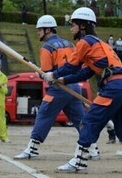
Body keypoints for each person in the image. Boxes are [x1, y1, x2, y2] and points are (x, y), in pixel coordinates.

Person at [41, 7, 122, 174]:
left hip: (112, 87)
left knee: (89, 121)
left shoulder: (85, 42)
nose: (71, 28)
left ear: (82, 25)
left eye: (73, 25)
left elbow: (72, 65)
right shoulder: (99, 44)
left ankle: (78, 162)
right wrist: (63, 79)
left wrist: (53, 74)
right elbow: (86, 72)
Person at [14, 15, 100, 160]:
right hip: (74, 85)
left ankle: (32, 149)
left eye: (40, 30)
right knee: (80, 120)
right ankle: (93, 149)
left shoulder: (47, 48)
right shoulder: (69, 43)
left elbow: (47, 73)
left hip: (59, 88)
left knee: (44, 114)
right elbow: (75, 65)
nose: (38, 32)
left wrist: (39, 73)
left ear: (47, 30)